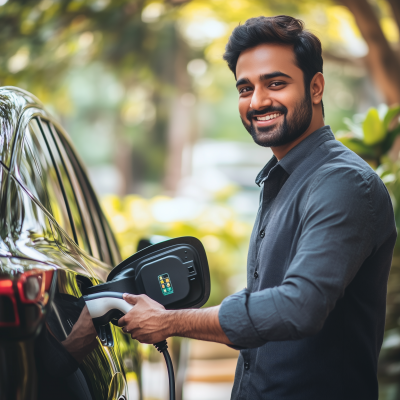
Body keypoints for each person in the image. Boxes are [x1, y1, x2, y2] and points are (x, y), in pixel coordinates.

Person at [118, 15, 396, 399]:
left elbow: (298, 307)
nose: (258, 101)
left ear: (315, 88)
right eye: (245, 88)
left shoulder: (343, 183)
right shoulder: (281, 179)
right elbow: (266, 311)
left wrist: (171, 322)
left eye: (276, 83)